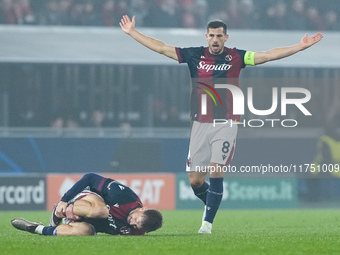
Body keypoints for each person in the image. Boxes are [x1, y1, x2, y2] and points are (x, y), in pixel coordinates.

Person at [119, 15, 323, 234]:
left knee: (216, 170)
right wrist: (133, 32)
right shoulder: (194, 55)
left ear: (226, 37)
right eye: (212, 35)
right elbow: (161, 48)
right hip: (199, 123)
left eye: (219, 36)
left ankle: (207, 224)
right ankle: (214, 200)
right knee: (196, 181)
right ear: (207, 37)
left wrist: (300, 47)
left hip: (226, 122)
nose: (215, 39)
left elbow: (268, 55)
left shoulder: (237, 57)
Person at [11, 173, 163, 236]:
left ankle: (37, 228)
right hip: (86, 201)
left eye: (136, 226)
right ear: (143, 209)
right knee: (102, 211)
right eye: (136, 218)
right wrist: (65, 200)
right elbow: (90, 178)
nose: (132, 223)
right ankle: (61, 209)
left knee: (85, 232)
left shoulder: (137, 231)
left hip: (90, 221)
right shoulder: (123, 195)